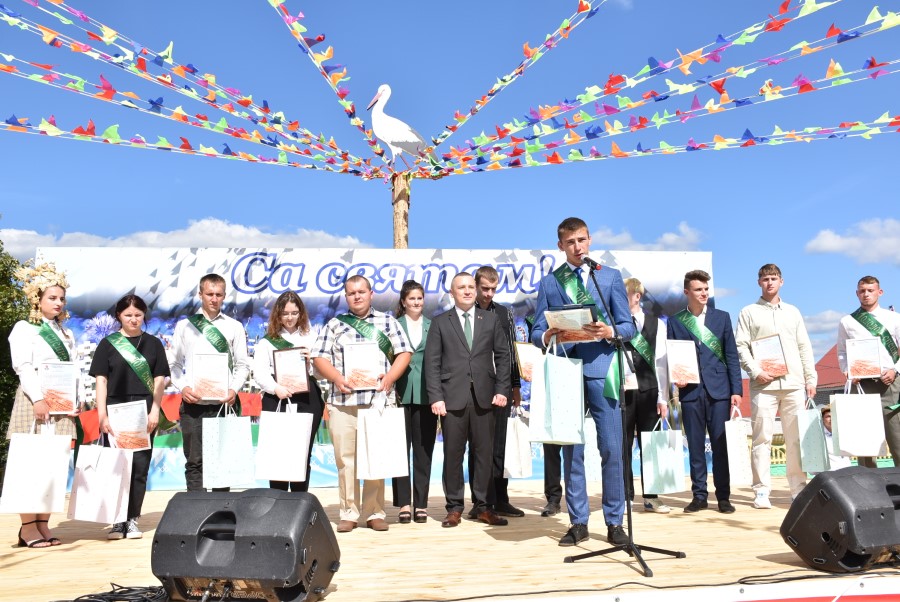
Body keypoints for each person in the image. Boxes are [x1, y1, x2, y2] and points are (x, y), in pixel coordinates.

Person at [531, 217, 635, 547]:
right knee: (572, 452)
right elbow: (536, 331)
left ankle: (615, 521)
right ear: (560, 246)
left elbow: (629, 326)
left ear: (589, 240)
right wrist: (548, 334)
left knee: (612, 449)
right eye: (570, 242)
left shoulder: (610, 277)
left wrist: (611, 331)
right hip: (567, 372)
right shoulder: (550, 283)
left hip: (603, 370)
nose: (577, 247)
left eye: (581, 240)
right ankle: (578, 522)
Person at [312, 275, 411, 533]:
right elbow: (319, 358)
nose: (357, 296)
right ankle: (349, 512)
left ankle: (375, 512)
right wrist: (337, 377)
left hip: (378, 401)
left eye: (361, 292)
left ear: (371, 293)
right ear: (346, 296)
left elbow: (404, 353)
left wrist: (390, 378)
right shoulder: (335, 325)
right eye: (351, 293)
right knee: (346, 460)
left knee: (376, 457)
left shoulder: (388, 322)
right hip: (343, 402)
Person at [425, 272, 511, 528]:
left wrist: (502, 389)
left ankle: (484, 507)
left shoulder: (491, 319)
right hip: (452, 398)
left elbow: (503, 356)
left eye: (471, 287)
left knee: (484, 454)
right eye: (461, 287)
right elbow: (432, 363)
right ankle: (454, 508)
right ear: (452, 293)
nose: (467, 291)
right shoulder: (440, 322)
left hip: (485, 397)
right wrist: (436, 396)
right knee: (453, 454)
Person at [7, 262, 79, 548]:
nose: (58, 303)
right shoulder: (25, 328)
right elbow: (23, 366)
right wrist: (38, 398)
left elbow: (73, 370)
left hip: (61, 404)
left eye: (61, 298)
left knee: (54, 465)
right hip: (34, 400)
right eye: (52, 297)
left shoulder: (67, 333)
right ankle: (27, 528)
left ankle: (43, 524)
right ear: (37, 299)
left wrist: (76, 400)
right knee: (30, 463)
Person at [735, 264, 817, 508]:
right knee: (762, 439)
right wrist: (756, 371)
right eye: (765, 279)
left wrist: (810, 378)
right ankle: (761, 491)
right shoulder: (748, 312)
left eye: (773, 278)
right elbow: (741, 346)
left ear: (781, 281)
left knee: (795, 439)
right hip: (763, 385)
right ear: (758, 283)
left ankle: (798, 489)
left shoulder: (793, 312)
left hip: (793, 383)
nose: (769, 282)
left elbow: (804, 346)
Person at [89, 294, 169, 539]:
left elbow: (160, 380)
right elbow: (101, 381)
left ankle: (133, 518)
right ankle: (117, 520)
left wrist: (155, 410)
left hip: (144, 410)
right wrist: (102, 415)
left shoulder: (154, 344)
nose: (133, 319)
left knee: (139, 466)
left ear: (144, 315)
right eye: (128, 315)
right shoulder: (108, 344)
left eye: (138, 315)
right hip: (115, 409)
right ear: (119, 316)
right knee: (116, 466)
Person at [667, 269, 742, 514]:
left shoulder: (722, 317)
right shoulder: (676, 321)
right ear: (686, 292)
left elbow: (731, 355)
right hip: (690, 391)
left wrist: (736, 390)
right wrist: (677, 378)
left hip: (719, 391)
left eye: (706, 289)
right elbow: (673, 355)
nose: (704, 293)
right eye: (698, 289)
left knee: (720, 446)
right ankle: (699, 496)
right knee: (695, 446)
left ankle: (723, 497)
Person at [168, 273, 250, 492]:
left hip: (223, 404)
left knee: (222, 465)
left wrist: (233, 389)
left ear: (224, 296)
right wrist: (183, 387)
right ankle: (197, 511)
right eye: (209, 294)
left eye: (218, 295)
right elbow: (173, 364)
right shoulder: (185, 326)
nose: (214, 299)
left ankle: (220, 511)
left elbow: (243, 365)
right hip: (193, 404)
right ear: (200, 294)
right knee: (194, 463)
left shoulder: (234, 326)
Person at [466, 266, 524, 519]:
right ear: (476, 286)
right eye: (485, 288)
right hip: (473, 389)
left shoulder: (503, 313)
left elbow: (511, 352)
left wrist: (515, 386)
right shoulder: (466, 312)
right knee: (477, 446)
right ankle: (479, 502)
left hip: (501, 388)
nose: (489, 294)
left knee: (499, 445)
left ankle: (500, 499)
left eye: (493, 289)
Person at [252, 291, 324, 492]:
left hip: (307, 399)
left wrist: (311, 363)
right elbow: (259, 373)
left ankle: (300, 500)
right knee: (278, 453)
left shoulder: (312, 338)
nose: (290, 318)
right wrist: (276, 388)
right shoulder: (267, 341)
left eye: (294, 313)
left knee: (302, 452)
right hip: (277, 398)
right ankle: (278, 501)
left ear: (301, 313)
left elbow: (321, 374)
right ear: (278, 314)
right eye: (285, 313)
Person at [836, 275, 900, 467]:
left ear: (879, 292)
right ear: (857, 293)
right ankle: (868, 483)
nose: (866, 294)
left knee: (897, 437)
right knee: (864, 442)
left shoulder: (894, 318)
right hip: (861, 385)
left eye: (870, 290)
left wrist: (895, 370)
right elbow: (842, 352)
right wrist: (849, 372)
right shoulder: (847, 321)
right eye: (862, 291)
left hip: (890, 384)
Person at [622, 277, 671, 514]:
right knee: (622, 446)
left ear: (637, 296)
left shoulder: (657, 324)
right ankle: (625, 497)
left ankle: (652, 497)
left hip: (649, 391)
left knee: (651, 446)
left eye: (623, 294)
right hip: (622, 390)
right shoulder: (615, 323)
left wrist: (663, 397)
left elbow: (661, 363)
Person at [391, 280, 437, 524]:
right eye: (412, 299)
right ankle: (403, 504)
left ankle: (421, 504)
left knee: (423, 450)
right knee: (399, 450)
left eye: (420, 298)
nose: (416, 302)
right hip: (399, 393)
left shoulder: (433, 325)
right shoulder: (393, 325)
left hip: (427, 394)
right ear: (403, 301)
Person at [819, 406, 852, 471]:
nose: (831, 419)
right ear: (822, 419)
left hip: (848, 472)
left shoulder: (844, 434)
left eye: (834, 416)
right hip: (831, 474)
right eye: (828, 416)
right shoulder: (819, 437)